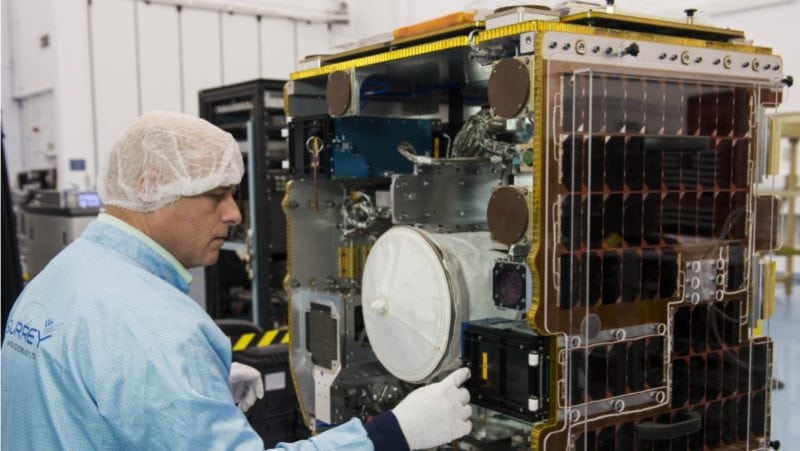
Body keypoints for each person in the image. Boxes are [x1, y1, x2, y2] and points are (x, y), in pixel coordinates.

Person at [1, 111, 472, 450]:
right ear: (149, 187)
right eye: (217, 195)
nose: (234, 213)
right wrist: (390, 434)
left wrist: (190, 388)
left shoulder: (66, 272)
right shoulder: (155, 327)